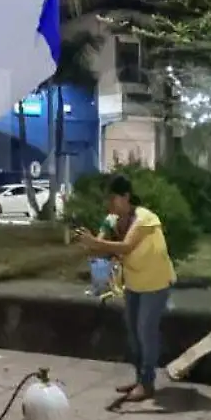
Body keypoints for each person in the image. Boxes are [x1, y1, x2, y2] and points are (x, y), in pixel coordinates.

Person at [74, 174, 177, 406]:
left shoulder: (145, 219)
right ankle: (140, 378)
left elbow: (126, 246)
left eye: (113, 199)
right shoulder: (112, 220)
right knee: (133, 332)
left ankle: (147, 383)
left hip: (156, 282)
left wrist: (96, 243)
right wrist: (89, 243)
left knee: (145, 332)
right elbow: (100, 245)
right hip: (134, 282)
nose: (110, 204)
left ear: (126, 197)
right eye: (107, 200)